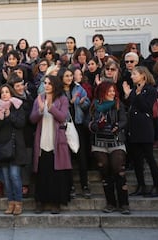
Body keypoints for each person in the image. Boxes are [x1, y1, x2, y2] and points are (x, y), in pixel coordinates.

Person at [30, 75, 72, 214]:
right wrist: (41, 110)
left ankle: (56, 203)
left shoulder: (63, 99)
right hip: (42, 141)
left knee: (57, 174)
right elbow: (32, 119)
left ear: (55, 85)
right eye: (45, 83)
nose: (46, 85)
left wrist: (50, 107)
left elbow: (62, 117)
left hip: (57, 141)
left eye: (49, 83)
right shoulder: (39, 98)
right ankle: (40, 202)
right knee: (42, 172)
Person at [89, 81, 129, 214]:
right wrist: (95, 125)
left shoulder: (118, 104)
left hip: (116, 142)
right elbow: (87, 121)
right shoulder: (94, 105)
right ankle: (110, 203)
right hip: (99, 144)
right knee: (105, 171)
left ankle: (124, 204)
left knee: (118, 169)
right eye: (109, 91)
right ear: (103, 92)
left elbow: (124, 119)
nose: (112, 93)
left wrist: (117, 126)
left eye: (114, 91)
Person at [123, 66, 158, 198]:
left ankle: (157, 186)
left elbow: (146, 107)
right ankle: (141, 186)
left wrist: (138, 95)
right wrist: (128, 95)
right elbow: (130, 106)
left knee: (150, 158)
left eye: (134, 74)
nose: (132, 76)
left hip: (145, 128)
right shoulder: (134, 90)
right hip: (134, 128)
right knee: (137, 160)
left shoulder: (150, 90)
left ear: (143, 75)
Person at [0, 84, 26, 215]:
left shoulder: (18, 106)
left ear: (11, 93)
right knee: (6, 178)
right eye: (2, 93)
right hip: (2, 148)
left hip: (16, 147)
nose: (5, 94)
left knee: (14, 176)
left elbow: (21, 123)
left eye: (7, 92)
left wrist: (10, 115)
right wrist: (0, 119)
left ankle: (18, 202)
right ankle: (10, 202)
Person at [59, 67, 92, 199]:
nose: (69, 78)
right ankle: (70, 186)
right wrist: (69, 102)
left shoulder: (78, 88)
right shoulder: (58, 91)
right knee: (67, 157)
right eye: (66, 76)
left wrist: (81, 103)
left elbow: (87, 103)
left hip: (78, 125)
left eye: (71, 76)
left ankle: (85, 185)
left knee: (81, 156)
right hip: (64, 127)